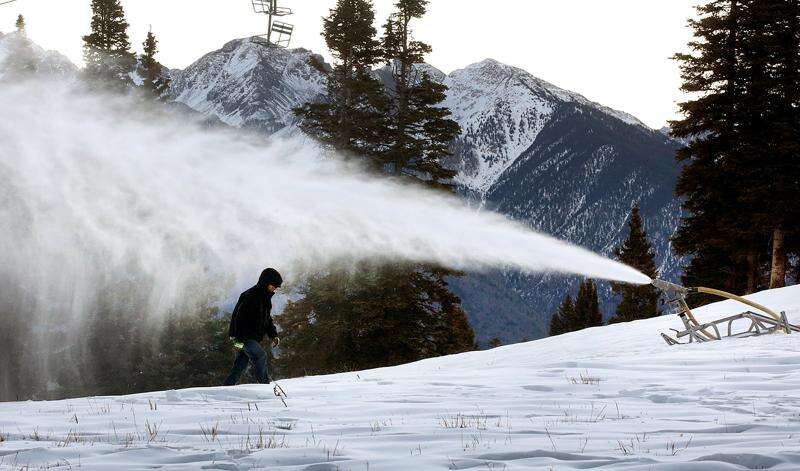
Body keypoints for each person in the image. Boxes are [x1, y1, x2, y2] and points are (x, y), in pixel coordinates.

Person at [223, 268, 282, 386]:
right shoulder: (251, 296)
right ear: (265, 282)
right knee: (260, 355)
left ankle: (227, 387)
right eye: (273, 285)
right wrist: (239, 339)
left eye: (276, 286)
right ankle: (264, 386)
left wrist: (273, 335)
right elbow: (239, 317)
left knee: (241, 363)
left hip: (241, 340)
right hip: (240, 339)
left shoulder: (265, 298)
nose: (275, 288)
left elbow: (267, 319)